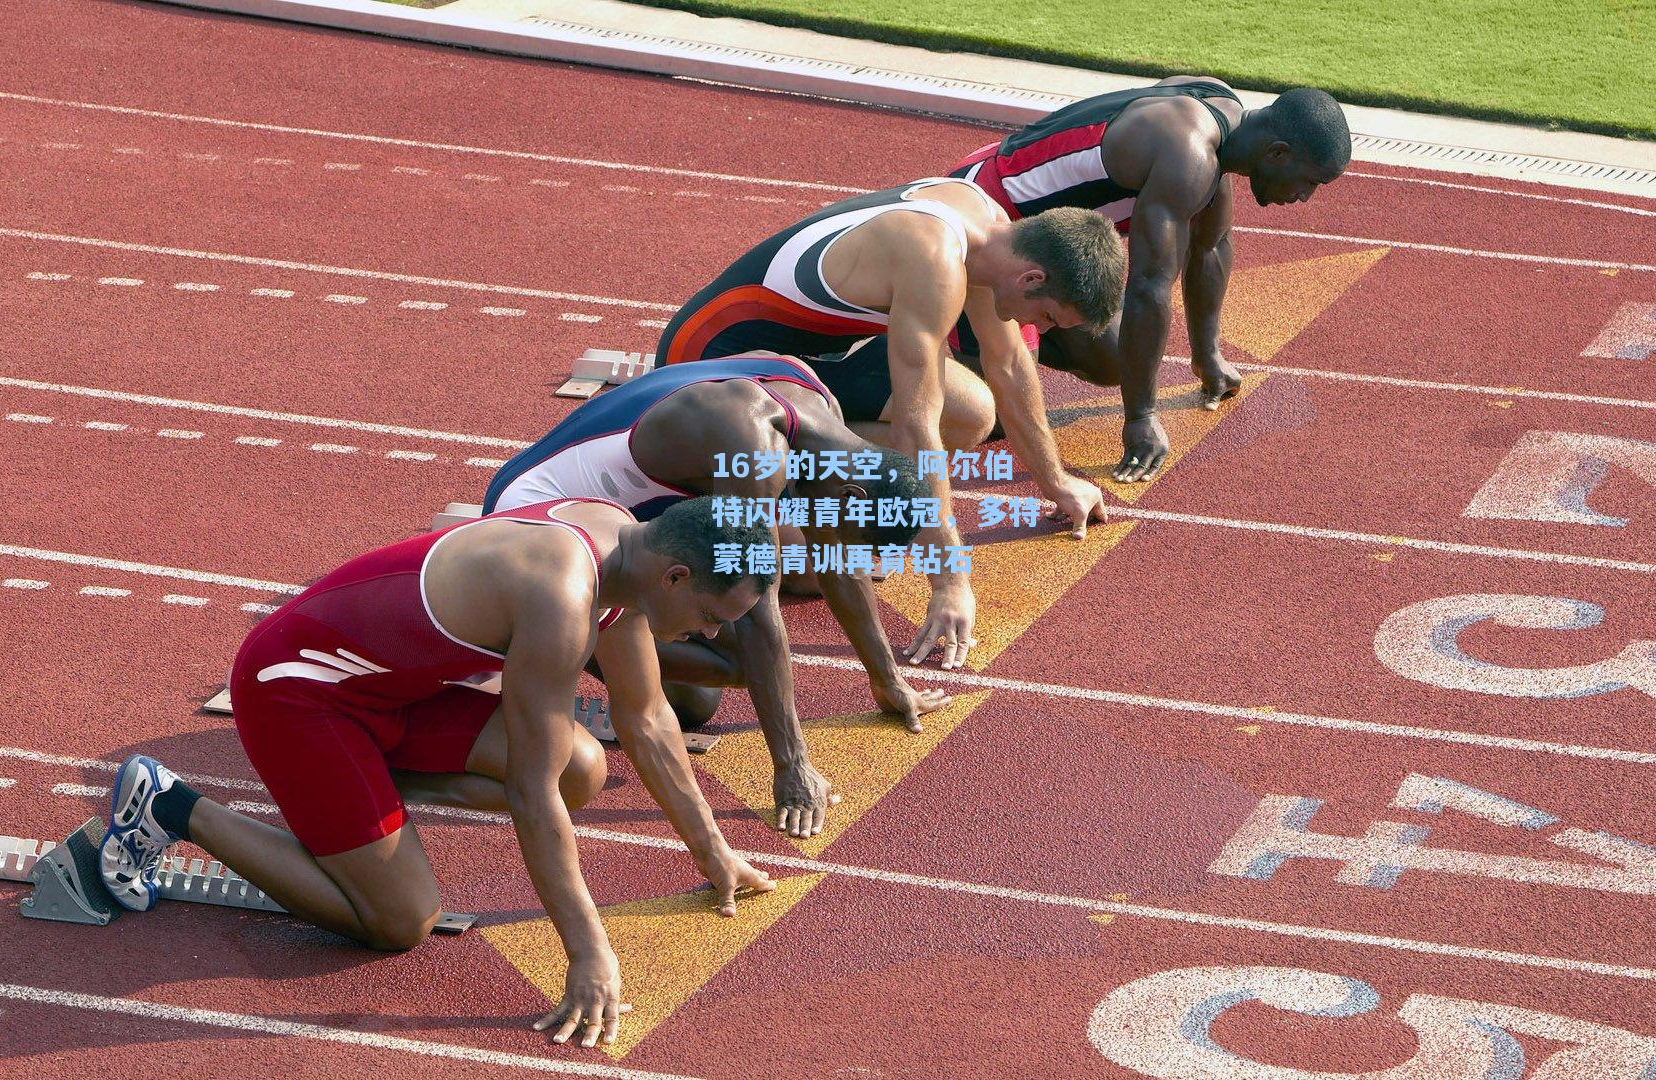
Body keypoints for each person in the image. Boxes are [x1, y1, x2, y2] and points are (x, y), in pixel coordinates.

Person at [98, 496, 776, 1050]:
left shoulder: (623, 548)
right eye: (712, 618)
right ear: (675, 577)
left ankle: (353, 803)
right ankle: (170, 806)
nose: (712, 636)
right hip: (298, 692)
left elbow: (648, 717)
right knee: (401, 920)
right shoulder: (562, 597)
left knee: (582, 767)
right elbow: (530, 792)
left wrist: (713, 852)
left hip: (392, 695)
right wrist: (588, 952)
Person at [655, 176, 1125, 667]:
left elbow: (1007, 363)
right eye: (1047, 318)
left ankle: (801, 466)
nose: (1039, 329)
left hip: (802, 355)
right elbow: (915, 428)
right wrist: (949, 580)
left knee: (971, 413)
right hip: (709, 362)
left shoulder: (992, 231)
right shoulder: (934, 260)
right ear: (1031, 279)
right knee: (820, 564)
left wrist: (1056, 481)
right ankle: (767, 473)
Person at [483, 352, 952, 838]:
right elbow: (757, 612)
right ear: (853, 496)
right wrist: (792, 766)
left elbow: (833, 556)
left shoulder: (819, 411)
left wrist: (887, 680)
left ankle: (600, 645)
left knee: (703, 697)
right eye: (848, 532)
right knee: (740, 659)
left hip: (612, 517)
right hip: (535, 517)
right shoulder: (753, 451)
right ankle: (563, 646)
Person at [950, 82, 1351, 482]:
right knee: (994, 415)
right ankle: (938, 333)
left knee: (1113, 355)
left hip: (1031, 233)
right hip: (987, 219)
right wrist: (1141, 417)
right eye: (1310, 181)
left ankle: (1000, 338)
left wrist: (1207, 355)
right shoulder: (1187, 155)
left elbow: (1211, 245)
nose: (1305, 197)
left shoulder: (1220, 115)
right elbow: (1148, 286)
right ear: (1277, 152)